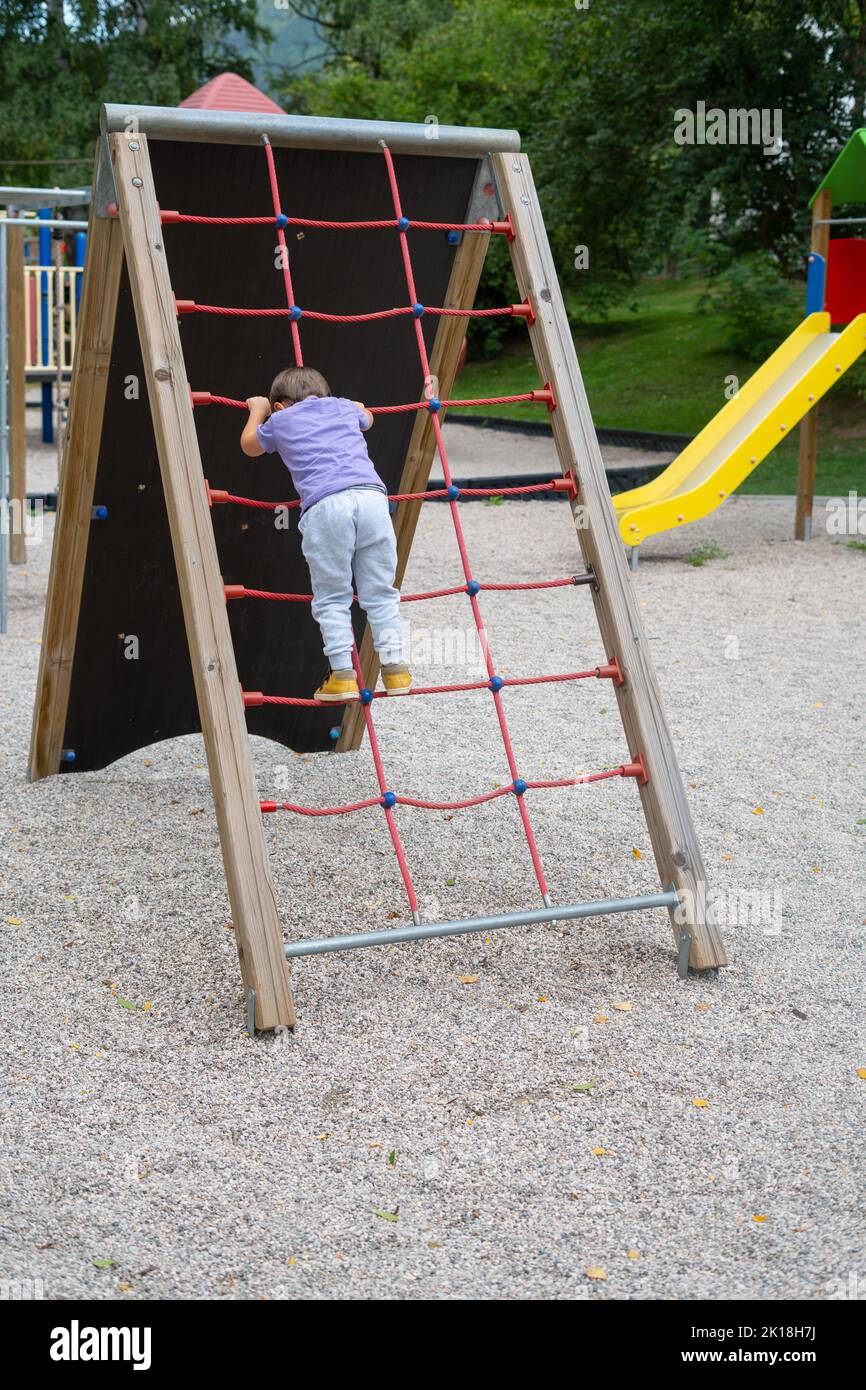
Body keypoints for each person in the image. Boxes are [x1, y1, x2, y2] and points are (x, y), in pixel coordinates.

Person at [241, 366, 411, 701]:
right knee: (380, 592)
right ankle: (396, 670)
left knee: (333, 596)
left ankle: (343, 676)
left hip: (326, 507)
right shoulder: (344, 407)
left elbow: (249, 445)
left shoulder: (279, 420)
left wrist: (256, 411)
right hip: (373, 500)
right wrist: (356, 409)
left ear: (279, 405)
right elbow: (368, 418)